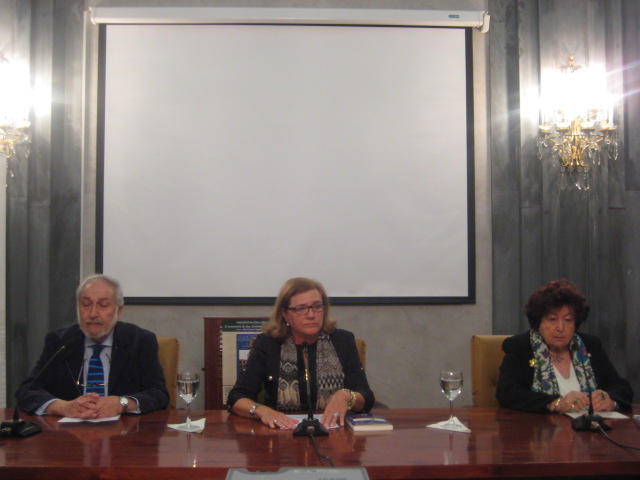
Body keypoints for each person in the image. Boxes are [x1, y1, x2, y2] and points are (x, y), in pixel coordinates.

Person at [227, 277, 375, 429]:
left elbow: (366, 397)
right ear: (284, 313)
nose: (311, 315)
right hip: (282, 434)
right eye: (301, 308)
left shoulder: (343, 340)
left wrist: (347, 397)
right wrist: (262, 411)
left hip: (334, 433)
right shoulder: (268, 344)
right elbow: (237, 397)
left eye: (317, 306)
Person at [16, 274, 169, 418]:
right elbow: (28, 391)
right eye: (86, 304)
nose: (93, 313)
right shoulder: (59, 342)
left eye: (103, 305)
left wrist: (122, 403)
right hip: (69, 436)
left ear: (119, 310)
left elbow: (159, 394)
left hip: (123, 436)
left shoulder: (140, 341)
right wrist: (63, 407)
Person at [496, 278, 633, 414]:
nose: (560, 328)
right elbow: (506, 393)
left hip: (589, 431)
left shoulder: (590, 345)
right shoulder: (520, 346)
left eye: (568, 320)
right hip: (540, 431)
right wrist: (556, 403)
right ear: (539, 321)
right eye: (552, 319)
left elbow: (621, 388)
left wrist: (610, 400)